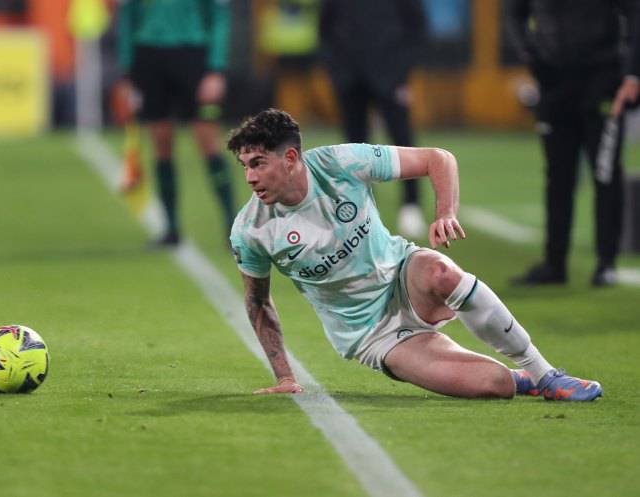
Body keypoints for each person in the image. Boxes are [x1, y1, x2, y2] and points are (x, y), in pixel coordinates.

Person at [227, 108, 602, 401]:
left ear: (290, 157)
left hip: (403, 275)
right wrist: (285, 376)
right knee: (494, 385)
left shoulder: (341, 163)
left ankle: (546, 374)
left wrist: (445, 213)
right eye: (245, 166)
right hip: (372, 335)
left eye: (258, 163)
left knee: (440, 271)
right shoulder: (252, 230)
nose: (250, 178)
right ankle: (520, 379)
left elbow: (438, 158)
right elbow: (258, 303)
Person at [505, 0, 640, 287]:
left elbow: (634, 11)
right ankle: (555, 264)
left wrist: (632, 73)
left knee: (605, 172)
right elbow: (514, 11)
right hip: (553, 81)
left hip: (603, 78)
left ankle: (606, 263)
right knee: (558, 175)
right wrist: (528, 53)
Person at [116, 0, 235, 247]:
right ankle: (171, 228)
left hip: (193, 55)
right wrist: (127, 72)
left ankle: (232, 226)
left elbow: (219, 17)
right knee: (161, 142)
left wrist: (216, 69)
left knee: (208, 142)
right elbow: (127, 17)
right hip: (150, 56)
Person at [319, 0, 428, 239]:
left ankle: (411, 205)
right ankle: (359, 211)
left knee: (402, 138)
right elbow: (325, 27)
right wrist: (336, 70)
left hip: (390, 74)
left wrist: (402, 71)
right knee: (353, 145)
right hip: (349, 77)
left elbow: (416, 26)